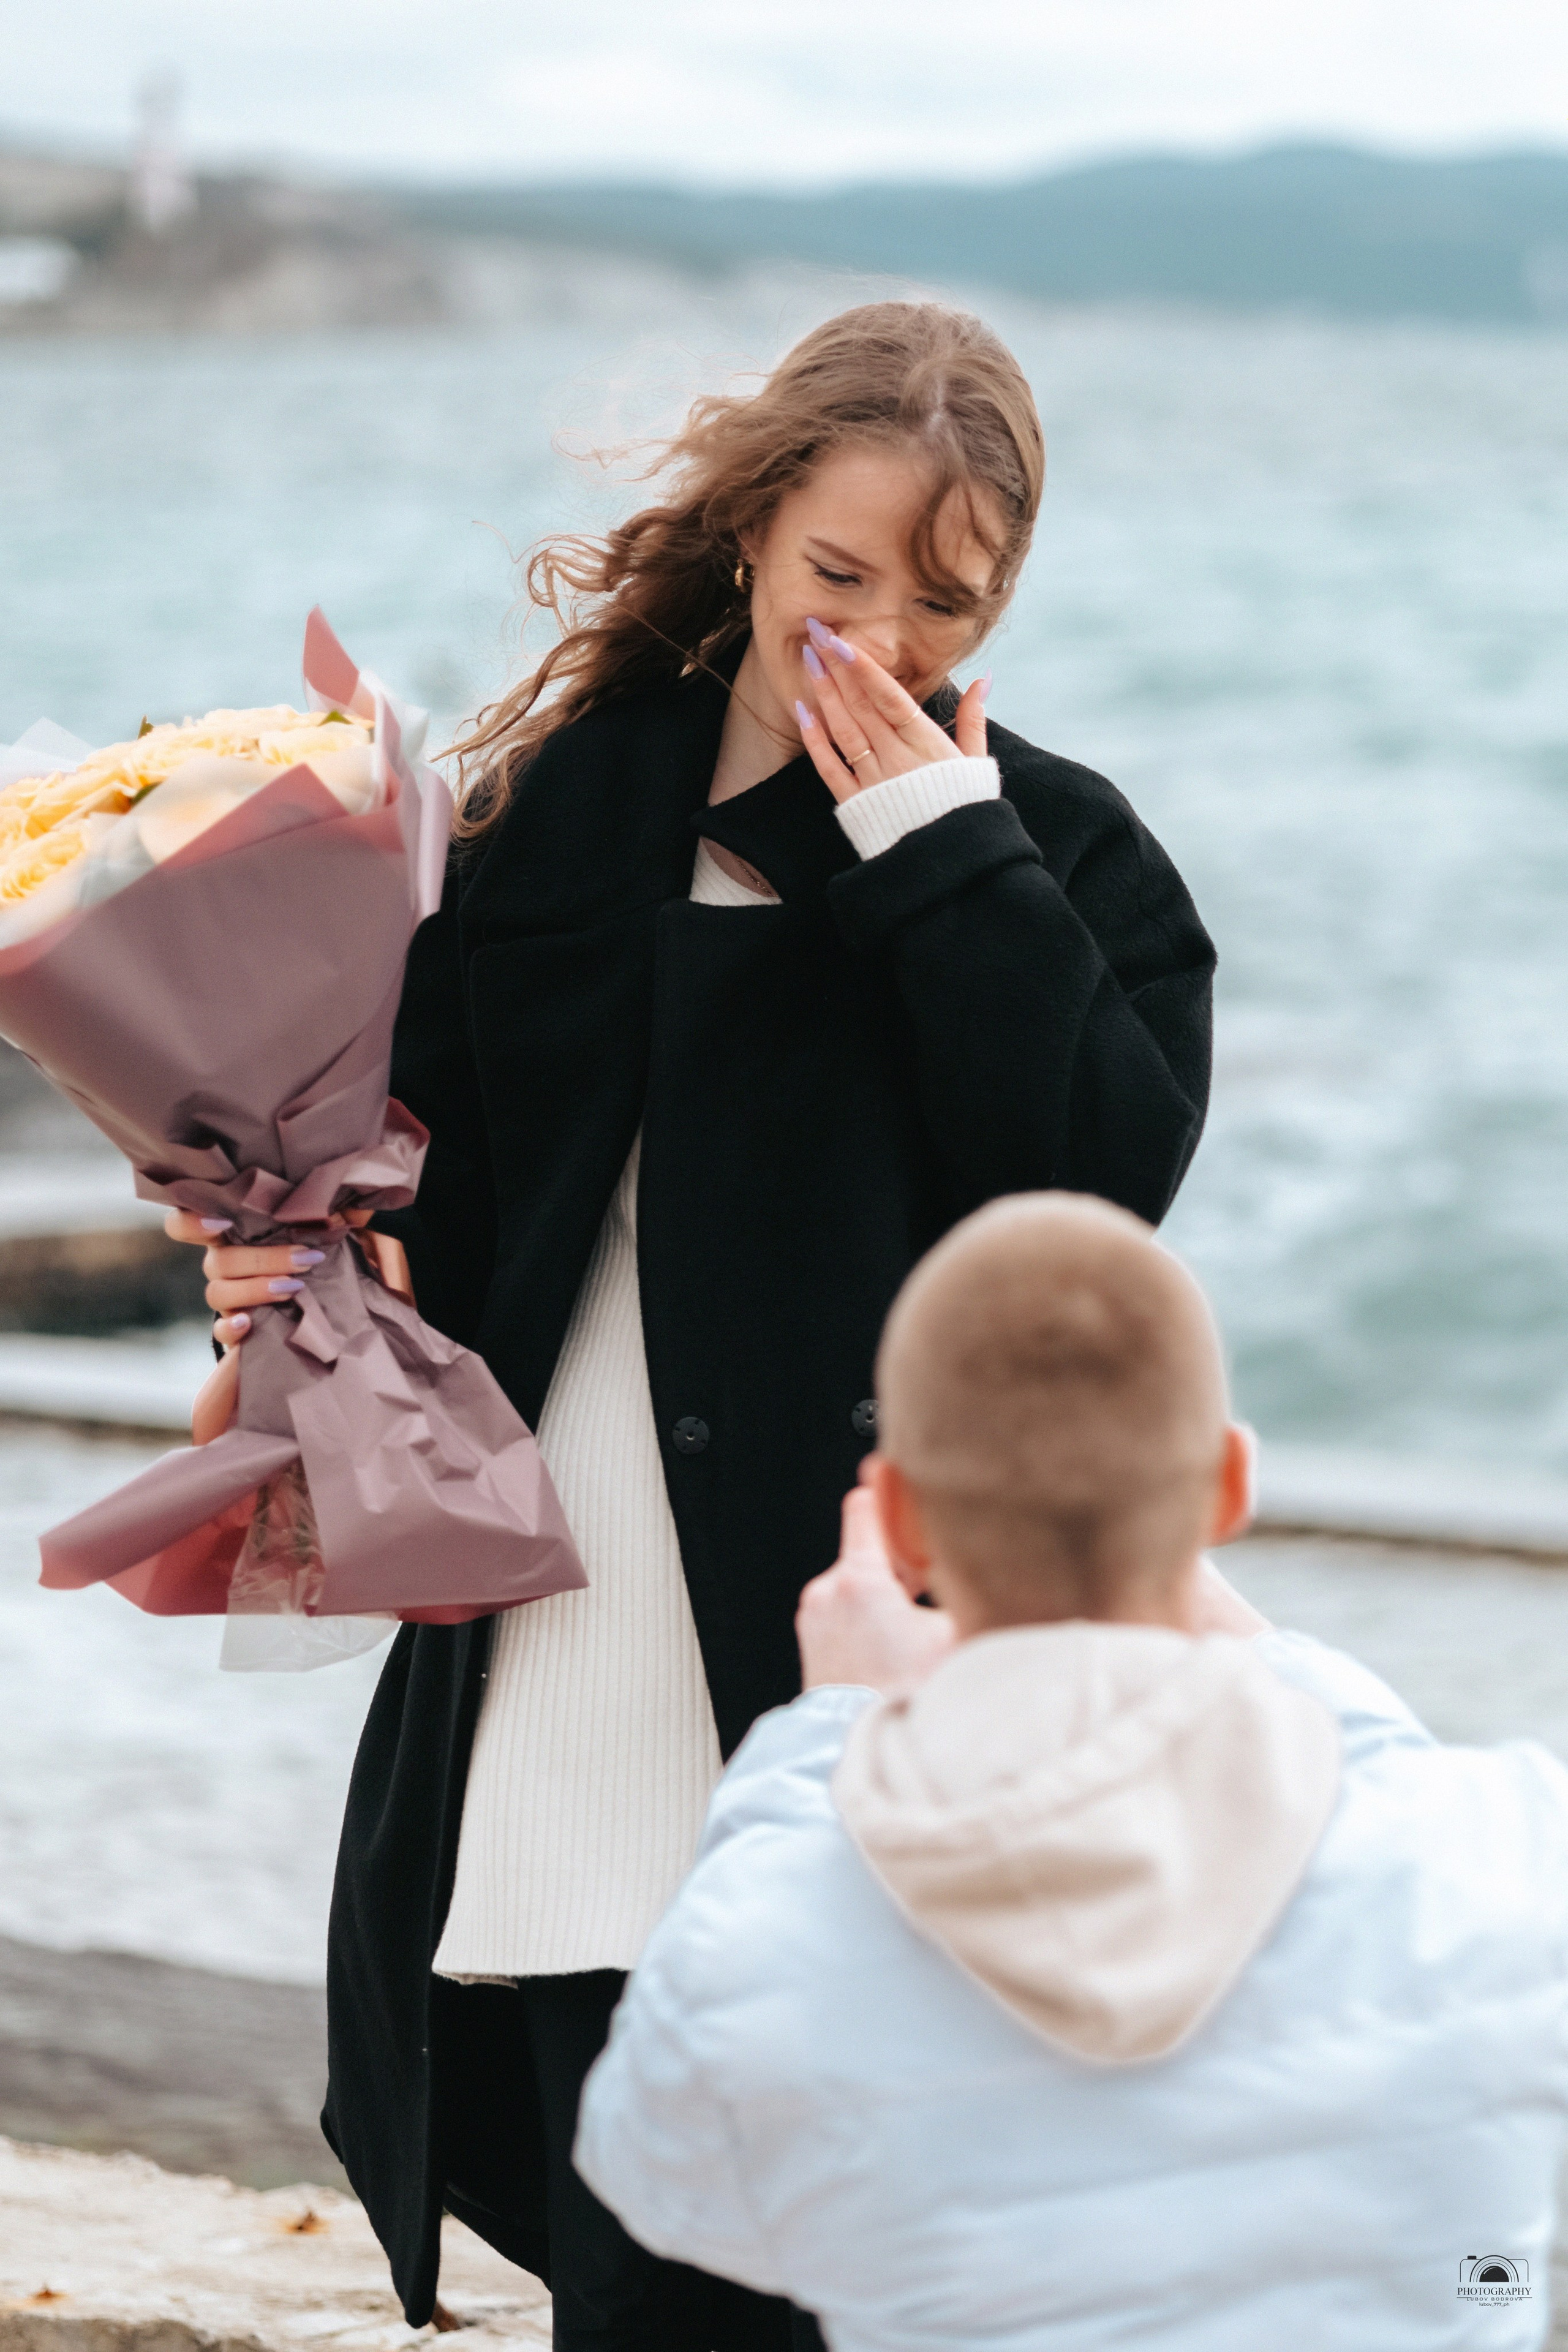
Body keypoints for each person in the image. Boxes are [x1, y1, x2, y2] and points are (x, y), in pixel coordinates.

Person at [169, 303, 1215, 2350]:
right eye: (840, 572)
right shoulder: (535, 819)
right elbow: (435, 1249)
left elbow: (1098, 1196)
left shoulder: (1057, 858)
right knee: (638, 2277)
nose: (881, 637)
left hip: (866, 1669)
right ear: (747, 531)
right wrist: (288, 1267)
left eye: (946, 599)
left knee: (863, 2262)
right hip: (572, 1647)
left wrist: (934, 847)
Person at [578, 1193, 1568, 2352]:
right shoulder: (1507, 1855)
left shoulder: (770, 1940)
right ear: (1231, 1489)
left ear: (897, 1515)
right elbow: (1403, 1787)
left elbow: (662, 2184)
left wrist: (825, 1731)